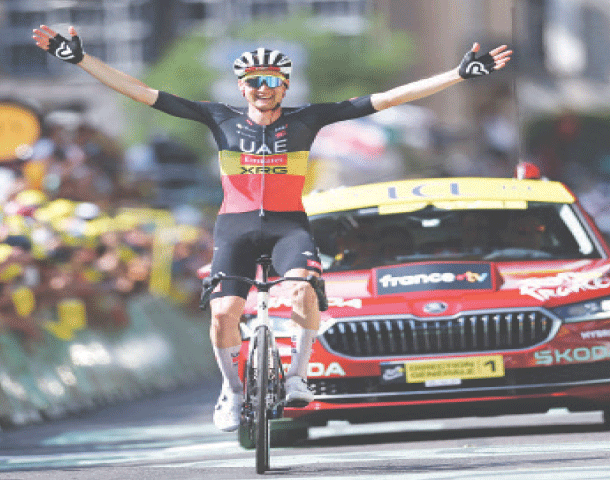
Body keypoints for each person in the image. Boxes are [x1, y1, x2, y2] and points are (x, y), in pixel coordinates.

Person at [32, 25, 512, 432]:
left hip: (288, 227)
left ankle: (299, 377)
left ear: (285, 85)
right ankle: (232, 390)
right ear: (242, 86)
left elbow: (386, 98)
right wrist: (81, 61)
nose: (264, 87)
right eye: (255, 79)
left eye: (274, 79)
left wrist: (456, 74)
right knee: (223, 314)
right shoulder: (218, 118)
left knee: (303, 291)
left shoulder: (310, 119)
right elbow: (139, 91)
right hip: (235, 228)